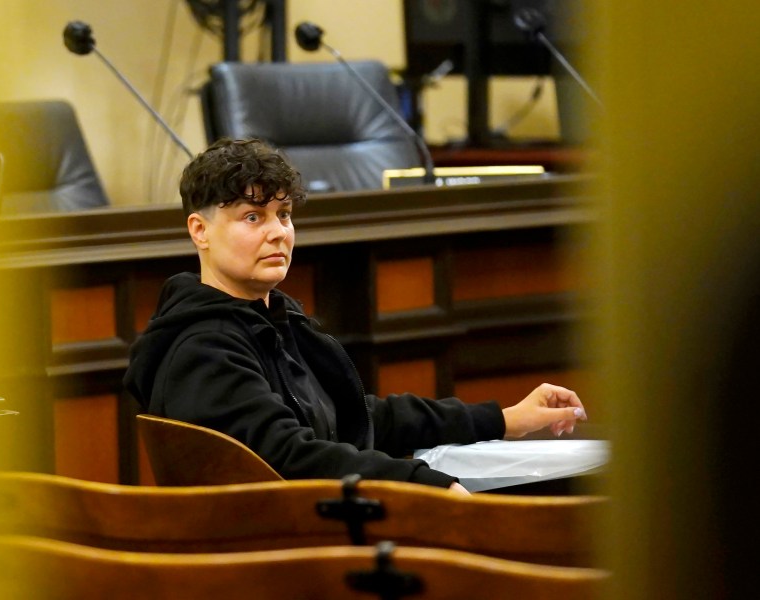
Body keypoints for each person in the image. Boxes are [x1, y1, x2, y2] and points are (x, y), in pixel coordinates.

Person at [123, 137, 587, 494]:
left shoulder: (273, 318)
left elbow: (359, 418)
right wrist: (425, 483)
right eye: (252, 217)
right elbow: (290, 458)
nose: (278, 233)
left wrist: (504, 420)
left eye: (283, 215)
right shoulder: (203, 348)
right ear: (199, 230)